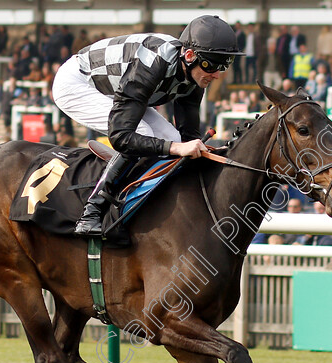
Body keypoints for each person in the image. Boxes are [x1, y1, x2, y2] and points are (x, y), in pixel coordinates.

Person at [51, 15, 243, 236]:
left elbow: (188, 136)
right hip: (77, 82)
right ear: (189, 55)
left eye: (224, 66)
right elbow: (121, 136)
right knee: (143, 133)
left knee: (176, 139)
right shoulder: (152, 62)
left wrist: (198, 151)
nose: (217, 75)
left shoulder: (196, 75)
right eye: (213, 65)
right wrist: (176, 148)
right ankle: (92, 212)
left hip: (120, 89)